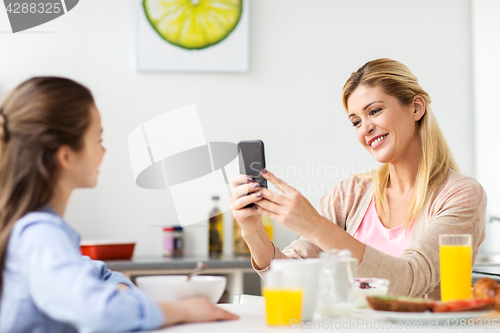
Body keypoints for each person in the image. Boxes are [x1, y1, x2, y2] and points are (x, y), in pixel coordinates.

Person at [231, 58, 486, 300]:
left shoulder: (460, 194)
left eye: (374, 111)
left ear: (416, 107)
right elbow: (289, 279)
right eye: (356, 122)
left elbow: (410, 281)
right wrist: (252, 231)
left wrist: (316, 226)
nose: (365, 128)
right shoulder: (350, 193)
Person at [0, 77, 238, 333]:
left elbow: (96, 273)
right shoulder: (39, 234)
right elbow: (102, 311)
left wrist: (119, 290)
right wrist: (185, 311)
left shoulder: (39, 231)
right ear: (66, 156)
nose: (104, 152)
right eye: (99, 140)